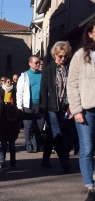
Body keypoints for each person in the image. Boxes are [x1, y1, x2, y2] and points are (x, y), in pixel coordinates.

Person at [67, 20, 95, 201]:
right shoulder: (81, 55)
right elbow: (72, 84)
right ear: (90, 33)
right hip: (87, 109)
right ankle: (90, 187)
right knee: (87, 149)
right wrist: (76, 109)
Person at [39, 41, 72, 173]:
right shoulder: (48, 70)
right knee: (57, 132)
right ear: (54, 55)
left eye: (65, 56)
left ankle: (45, 158)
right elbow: (43, 90)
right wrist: (43, 108)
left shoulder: (69, 68)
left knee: (53, 133)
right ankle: (64, 160)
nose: (63, 59)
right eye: (60, 56)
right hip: (52, 106)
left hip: (64, 106)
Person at [0, 104, 39, 168]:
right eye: (10, 119)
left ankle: (13, 162)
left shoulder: (19, 114)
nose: (12, 120)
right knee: (4, 147)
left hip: (13, 133)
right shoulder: (2, 115)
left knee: (12, 147)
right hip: (3, 133)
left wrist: (37, 115)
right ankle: (2, 162)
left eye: (14, 119)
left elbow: (28, 115)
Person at [17, 55, 44, 153]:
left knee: (40, 125)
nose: (38, 64)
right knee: (28, 125)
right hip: (28, 105)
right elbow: (19, 92)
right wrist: (19, 106)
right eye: (36, 62)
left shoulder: (42, 74)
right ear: (30, 63)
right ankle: (28, 142)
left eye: (39, 63)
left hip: (41, 104)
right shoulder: (24, 76)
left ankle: (35, 140)